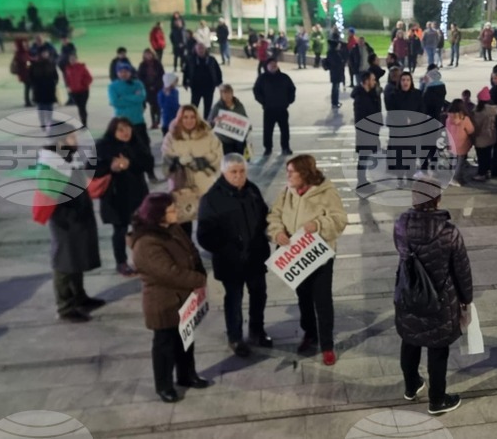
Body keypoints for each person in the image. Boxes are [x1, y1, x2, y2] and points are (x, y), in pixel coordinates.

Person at [394, 174, 473, 415]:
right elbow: (462, 270)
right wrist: (466, 299)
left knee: (410, 341)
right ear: (438, 198)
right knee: (438, 350)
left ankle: (411, 386)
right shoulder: (448, 231)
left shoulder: (401, 225)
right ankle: (437, 400)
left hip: (408, 294)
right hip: (440, 300)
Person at [130, 193, 212, 403]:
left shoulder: (172, 228)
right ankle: (164, 385)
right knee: (164, 345)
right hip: (163, 302)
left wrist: (200, 271)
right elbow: (168, 273)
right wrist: (198, 279)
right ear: (158, 215)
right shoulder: (147, 243)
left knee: (185, 339)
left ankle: (186, 375)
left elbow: (192, 250)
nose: (176, 212)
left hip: (183, 298)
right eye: (171, 210)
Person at [267, 155, 347, 366]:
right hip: (296, 257)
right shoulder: (286, 192)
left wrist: (318, 224)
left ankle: (327, 345)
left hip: (319, 256)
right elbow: (274, 216)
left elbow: (340, 219)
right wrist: (277, 233)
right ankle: (310, 333)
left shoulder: (326, 191)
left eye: (292, 172)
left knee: (322, 300)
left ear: (304, 173)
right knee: (303, 298)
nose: (288, 176)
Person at [197, 154, 274, 355]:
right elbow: (204, 236)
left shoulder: (252, 190)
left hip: (255, 257)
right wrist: (228, 248)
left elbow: (265, 217)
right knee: (234, 299)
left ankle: (257, 331)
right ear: (224, 172)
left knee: (259, 295)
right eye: (234, 172)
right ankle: (235, 338)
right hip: (231, 262)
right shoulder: (212, 198)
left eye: (242, 171)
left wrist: (271, 232)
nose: (239, 176)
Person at [39, 129, 103, 323]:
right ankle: (65, 306)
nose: (76, 140)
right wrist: (70, 214)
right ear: (61, 141)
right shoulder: (51, 165)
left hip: (78, 216)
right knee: (64, 261)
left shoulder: (69, 158)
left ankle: (79, 297)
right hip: (65, 220)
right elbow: (51, 196)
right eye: (72, 137)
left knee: (77, 256)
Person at [93, 117, 151, 277]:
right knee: (120, 230)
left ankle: (143, 259)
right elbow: (91, 170)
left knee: (141, 229)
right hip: (115, 197)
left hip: (137, 194)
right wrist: (110, 167)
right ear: (113, 131)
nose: (125, 132)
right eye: (120, 129)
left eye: (127, 128)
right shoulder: (102, 146)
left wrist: (130, 163)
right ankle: (121, 262)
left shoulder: (137, 144)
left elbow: (149, 164)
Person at [161, 105, 223, 235]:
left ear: (197, 118)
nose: (189, 120)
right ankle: (186, 251)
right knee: (183, 223)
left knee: (207, 222)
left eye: (192, 117)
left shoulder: (208, 136)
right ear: (180, 119)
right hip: (181, 188)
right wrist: (177, 161)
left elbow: (218, 157)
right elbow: (166, 162)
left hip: (205, 187)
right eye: (185, 117)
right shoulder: (171, 137)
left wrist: (200, 162)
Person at [108, 61, 154, 178]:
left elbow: (141, 97)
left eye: (126, 71)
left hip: (138, 121)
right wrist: (133, 97)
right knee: (124, 150)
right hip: (122, 124)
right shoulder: (112, 86)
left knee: (144, 148)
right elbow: (115, 101)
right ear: (117, 73)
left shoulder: (137, 84)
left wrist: (123, 97)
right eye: (121, 71)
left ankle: (150, 172)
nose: (123, 74)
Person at [385, 72, 427, 185]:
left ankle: (409, 178)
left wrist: (412, 120)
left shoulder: (417, 94)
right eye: (403, 80)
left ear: (411, 81)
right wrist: (403, 120)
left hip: (413, 131)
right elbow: (392, 112)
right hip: (398, 132)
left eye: (408, 80)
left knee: (411, 157)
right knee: (399, 156)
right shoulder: (393, 95)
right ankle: (400, 178)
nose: (405, 82)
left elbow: (422, 111)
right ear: (400, 82)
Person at [253, 58, 297, 156]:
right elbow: (256, 91)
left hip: (282, 108)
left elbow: (292, 89)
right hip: (269, 109)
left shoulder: (284, 77)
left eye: (275, 64)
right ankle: (268, 148)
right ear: (267, 66)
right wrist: (263, 101)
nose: (273, 65)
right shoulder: (262, 78)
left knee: (284, 129)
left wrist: (289, 101)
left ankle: (285, 147)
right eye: (271, 64)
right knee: (268, 130)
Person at [353, 71, 383, 191]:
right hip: (365, 133)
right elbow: (361, 118)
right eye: (373, 80)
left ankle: (363, 181)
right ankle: (361, 183)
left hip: (371, 132)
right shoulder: (361, 97)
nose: (374, 82)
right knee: (363, 158)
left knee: (365, 158)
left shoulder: (369, 94)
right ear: (366, 81)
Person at [208, 84, 250, 156]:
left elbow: (245, 119)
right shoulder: (217, 107)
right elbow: (209, 123)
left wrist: (247, 127)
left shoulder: (239, 105)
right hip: (224, 141)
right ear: (221, 95)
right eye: (224, 93)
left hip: (238, 140)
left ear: (232, 93)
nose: (227, 95)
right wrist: (214, 121)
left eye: (229, 93)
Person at [184, 43, 223, 118]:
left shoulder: (211, 59)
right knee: (194, 106)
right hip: (196, 87)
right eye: (199, 49)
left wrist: (219, 82)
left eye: (202, 48)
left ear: (205, 49)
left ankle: (206, 123)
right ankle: (193, 121)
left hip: (209, 87)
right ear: (195, 50)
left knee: (208, 106)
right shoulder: (191, 60)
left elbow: (218, 71)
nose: (200, 50)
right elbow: (186, 72)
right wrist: (185, 82)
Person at [445, 100, 475, 186]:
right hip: (462, 144)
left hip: (452, 143)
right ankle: (456, 178)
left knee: (452, 161)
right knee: (460, 163)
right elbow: (471, 130)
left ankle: (450, 176)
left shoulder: (448, 118)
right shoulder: (464, 119)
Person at [471, 88, 497, 182]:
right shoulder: (493, 109)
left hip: (481, 137)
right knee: (488, 155)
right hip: (491, 135)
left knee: (481, 156)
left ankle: (481, 173)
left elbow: (476, 125)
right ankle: (487, 171)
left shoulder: (479, 111)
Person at [30, 51, 59, 131]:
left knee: (49, 107)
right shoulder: (34, 65)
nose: (45, 54)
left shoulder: (51, 64)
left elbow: (56, 76)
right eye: (43, 53)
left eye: (46, 53)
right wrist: (35, 86)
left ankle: (49, 122)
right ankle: (43, 123)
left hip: (49, 89)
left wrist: (53, 84)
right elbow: (31, 77)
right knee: (41, 108)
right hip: (39, 90)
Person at [136, 49, 165, 130]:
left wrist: (156, 85)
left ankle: (158, 120)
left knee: (158, 104)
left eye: (150, 54)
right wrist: (147, 85)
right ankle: (153, 122)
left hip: (157, 87)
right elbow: (140, 77)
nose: (148, 56)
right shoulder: (142, 65)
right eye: (147, 54)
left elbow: (162, 75)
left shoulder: (157, 64)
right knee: (152, 105)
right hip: (147, 88)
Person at [63, 53, 93, 128]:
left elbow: (89, 78)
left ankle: (84, 123)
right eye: (71, 59)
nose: (72, 61)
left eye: (74, 59)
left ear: (76, 59)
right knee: (79, 107)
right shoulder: (68, 68)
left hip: (83, 91)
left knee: (82, 107)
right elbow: (68, 79)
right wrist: (68, 87)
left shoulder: (82, 67)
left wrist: (84, 84)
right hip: (74, 92)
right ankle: (83, 122)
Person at [11, 38, 33, 107]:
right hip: (25, 73)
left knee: (28, 86)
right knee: (28, 86)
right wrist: (29, 63)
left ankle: (29, 100)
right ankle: (27, 101)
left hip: (25, 73)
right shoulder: (20, 53)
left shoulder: (21, 52)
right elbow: (25, 61)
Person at [326, 40, 347, 110]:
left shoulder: (332, 53)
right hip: (336, 73)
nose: (339, 46)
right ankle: (335, 102)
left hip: (335, 73)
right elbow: (337, 63)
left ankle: (335, 102)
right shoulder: (334, 53)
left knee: (335, 88)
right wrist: (341, 62)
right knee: (335, 88)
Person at [158, 73, 181, 137]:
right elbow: (162, 105)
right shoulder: (161, 93)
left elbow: (176, 103)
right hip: (167, 118)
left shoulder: (175, 91)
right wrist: (168, 96)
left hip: (175, 117)